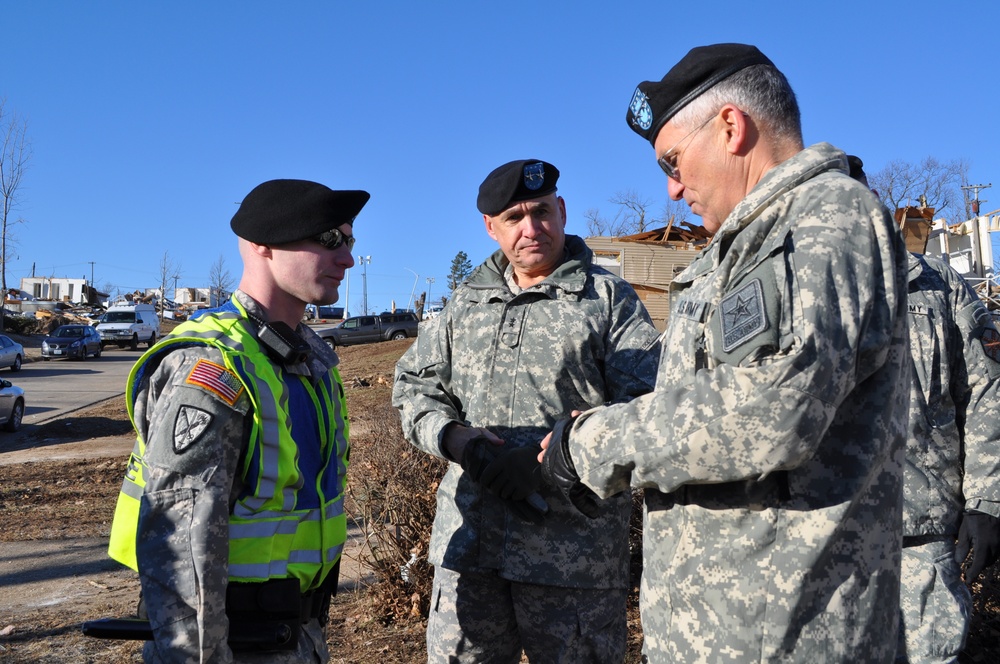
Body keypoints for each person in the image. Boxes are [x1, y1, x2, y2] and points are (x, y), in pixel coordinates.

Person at [538, 44, 911, 662]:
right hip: (722, 631)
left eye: (675, 160)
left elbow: (772, 407)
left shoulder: (826, 216)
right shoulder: (739, 248)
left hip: (789, 636)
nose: (673, 188)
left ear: (732, 127)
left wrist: (592, 443)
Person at [392, 159, 660, 663]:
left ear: (561, 210)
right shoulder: (464, 305)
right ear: (491, 227)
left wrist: (555, 461)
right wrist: (458, 441)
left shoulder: (608, 301)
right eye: (514, 217)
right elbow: (413, 387)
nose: (531, 228)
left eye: (541, 211)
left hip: (572, 561)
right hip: (471, 553)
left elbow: (647, 409)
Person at [106, 179, 369, 662]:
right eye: (328, 240)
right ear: (261, 245)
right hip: (229, 643)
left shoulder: (309, 362)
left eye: (349, 240)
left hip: (298, 637)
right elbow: (180, 543)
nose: (347, 258)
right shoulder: (214, 368)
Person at [848, 155, 1000, 663]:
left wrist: (986, 501)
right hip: (819, 542)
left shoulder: (938, 287)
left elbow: (985, 391)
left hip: (922, 536)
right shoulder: (793, 291)